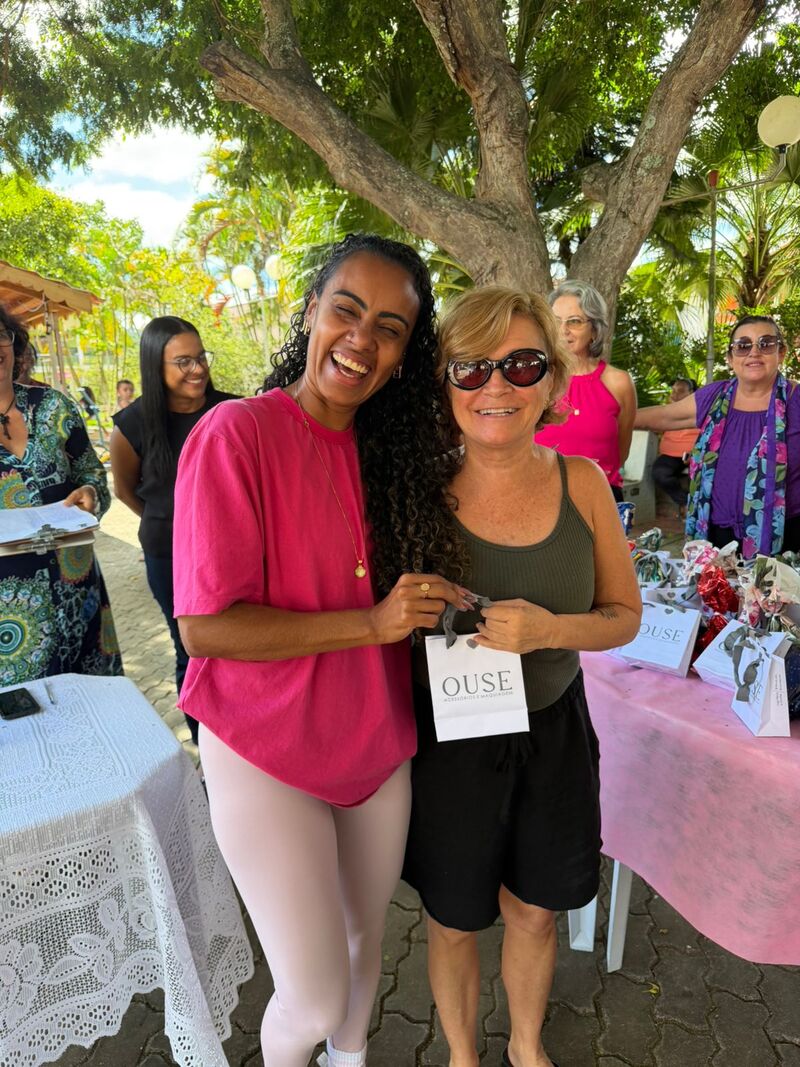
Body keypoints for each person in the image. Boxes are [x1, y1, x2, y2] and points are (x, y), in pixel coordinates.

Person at [171, 234, 464, 1067]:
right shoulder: (237, 432)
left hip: (374, 740)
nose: (362, 339)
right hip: (262, 742)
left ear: (404, 358)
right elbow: (206, 627)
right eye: (346, 310)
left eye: (390, 328)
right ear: (310, 313)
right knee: (312, 994)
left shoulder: (394, 459)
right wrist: (370, 623)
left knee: (365, 948)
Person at [402, 286, 641, 1067]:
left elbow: (624, 615)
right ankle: (462, 1055)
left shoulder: (584, 483)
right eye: (470, 367)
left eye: (521, 364)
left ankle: (526, 1046)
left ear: (551, 379)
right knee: (453, 919)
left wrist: (547, 629)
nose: (495, 385)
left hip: (554, 731)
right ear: (445, 382)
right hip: (452, 740)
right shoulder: (418, 493)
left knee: (535, 911)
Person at [110, 317, 237, 744]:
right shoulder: (132, 424)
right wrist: (178, 526)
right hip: (169, 557)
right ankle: (205, 748)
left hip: (232, 552)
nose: (197, 369)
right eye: (183, 361)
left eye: (201, 357)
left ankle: (241, 741)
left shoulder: (231, 412)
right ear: (155, 366)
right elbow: (126, 491)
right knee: (191, 650)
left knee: (241, 645)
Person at [0, 304, 122, 683]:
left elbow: (92, 474)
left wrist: (91, 492)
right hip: (12, 620)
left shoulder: (54, 407)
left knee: (96, 701)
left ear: (13, 343)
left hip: (79, 593)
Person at [635, 315, 800, 557]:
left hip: (784, 539)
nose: (754, 352)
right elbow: (666, 416)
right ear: (731, 358)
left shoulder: (796, 400)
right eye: (743, 346)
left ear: (781, 352)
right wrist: (609, 416)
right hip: (714, 536)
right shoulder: (715, 396)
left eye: (765, 344)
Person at [535, 280, 637, 501]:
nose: (563, 330)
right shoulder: (535, 379)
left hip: (601, 498)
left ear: (594, 330)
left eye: (574, 321)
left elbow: (620, 453)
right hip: (541, 497)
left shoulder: (618, 382)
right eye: (556, 321)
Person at [650, 377, 699, 516]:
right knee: (659, 473)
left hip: (695, 453)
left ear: (691, 392)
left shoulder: (701, 408)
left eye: (681, 391)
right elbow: (656, 426)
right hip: (671, 455)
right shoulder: (667, 410)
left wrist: (696, 452)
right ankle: (685, 502)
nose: (675, 395)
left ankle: (698, 509)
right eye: (674, 391)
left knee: (701, 476)